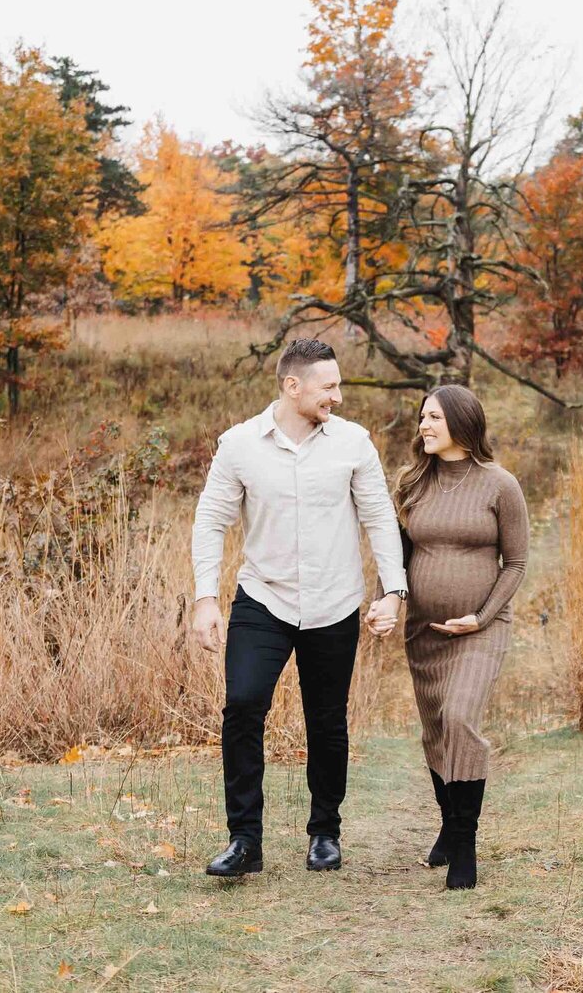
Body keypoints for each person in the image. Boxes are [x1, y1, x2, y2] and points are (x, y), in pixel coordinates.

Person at [189, 338, 406, 877]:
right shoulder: (239, 444)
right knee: (242, 706)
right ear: (294, 386)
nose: (337, 394)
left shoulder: (353, 442)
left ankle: (324, 833)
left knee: (327, 721)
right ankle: (244, 841)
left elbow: (379, 518)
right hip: (264, 597)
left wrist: (393, 592)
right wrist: (205, 598)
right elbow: (211, 520)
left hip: (335, 601)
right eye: (329, 385)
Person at [393, 384, 528, 890]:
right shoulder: (412, 484)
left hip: (481, 630)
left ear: (462, 424)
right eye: (421, 417)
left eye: (433, 418)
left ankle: (465, 845)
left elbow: (515, 564)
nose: (423, 426)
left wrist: (482, 616)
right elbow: (398, 558)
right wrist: (392, 601)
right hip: (424, 632)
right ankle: (448, 825)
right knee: (434, 730)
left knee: (460, 718)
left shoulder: (500, 485)